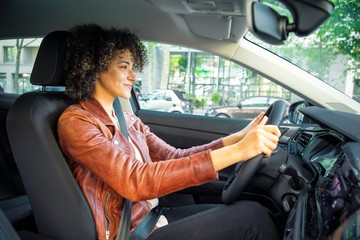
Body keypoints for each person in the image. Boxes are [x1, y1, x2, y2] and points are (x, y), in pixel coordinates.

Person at [57, 24, 281, 240]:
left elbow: (174, 157)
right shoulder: (76, 122)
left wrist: (239, 138)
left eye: (133, 67)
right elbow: (134, 180)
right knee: (252, 219)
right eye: (124, 67)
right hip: (131, 232)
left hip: (153, 216)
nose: (134, 77)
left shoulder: (128, 120)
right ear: (95, 68)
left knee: (252, 210)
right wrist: (239, 152)